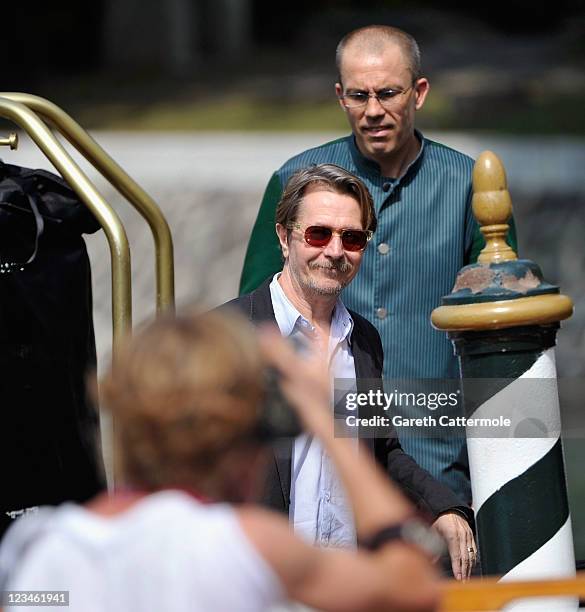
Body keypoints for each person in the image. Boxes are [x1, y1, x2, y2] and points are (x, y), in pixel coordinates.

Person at [238, 24, 517, 506]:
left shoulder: (470, 186)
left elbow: (506, 333)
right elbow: (252, 324)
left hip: (439, 461)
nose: (372, 111)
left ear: (420, 92)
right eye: (358, 95)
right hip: (320, 473)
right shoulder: (292, 181)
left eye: (387, 93)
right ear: (339, 96)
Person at [0, 309, 441, 612]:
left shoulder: (38, 549)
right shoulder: (243, 545)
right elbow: (415, 587)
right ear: (244, 433)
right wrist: (323, 417)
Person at [225, 163, 476, 581]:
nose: (336, 251)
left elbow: (382, 451)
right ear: (285, 238)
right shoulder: (229, 335)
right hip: (256, 582)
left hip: (344, 582)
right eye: (318, 233)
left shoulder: (364, 340)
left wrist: (446, 507)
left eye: (353, 238)